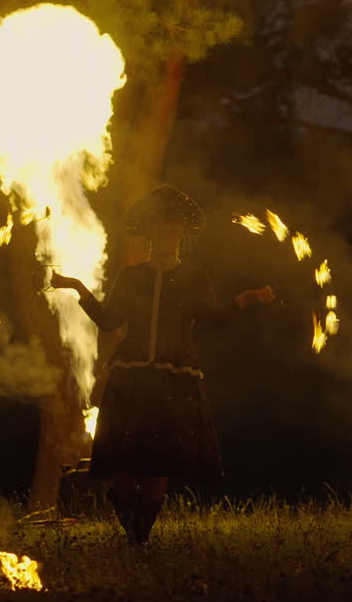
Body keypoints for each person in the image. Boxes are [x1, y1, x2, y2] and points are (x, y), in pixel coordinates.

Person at [52, 185, 274, 544]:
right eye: (159, 228)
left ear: (181, 234)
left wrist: (243, 300)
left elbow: (212, 319)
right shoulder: (131, 274)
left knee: (158, 465)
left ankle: (139, 540)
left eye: (172, 229)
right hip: (130, 378)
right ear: (149, 232)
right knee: (123, 464)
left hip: (174, 379)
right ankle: (134, 535)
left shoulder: (194, 276)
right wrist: (77, 286)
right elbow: (109, 321)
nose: (166, 235)